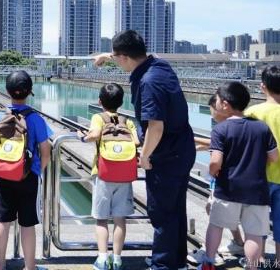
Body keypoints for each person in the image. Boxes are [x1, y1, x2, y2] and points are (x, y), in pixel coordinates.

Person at [94, 30, 196, 270]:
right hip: (183, 148)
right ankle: (176, 260)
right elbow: (132, 54)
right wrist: (108, 56)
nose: (117, 63)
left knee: (161, 211)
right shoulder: (160, 65)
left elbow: (156, 127)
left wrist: (145, 156)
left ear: (125, 57)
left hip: (166, 154)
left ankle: (163, 265)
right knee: (175, 209)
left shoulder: (148, 82)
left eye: (117, 58)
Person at [198, 82, 278, 270]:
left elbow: (215, 161)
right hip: (257, 190)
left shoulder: (221, 129)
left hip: (228, 188)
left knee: (216, 225)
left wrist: (212, 172)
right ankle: (252, 267)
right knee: (254, 234)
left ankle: (209, 262)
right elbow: (274, 157)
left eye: (217, 99)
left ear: (225, 104)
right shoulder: (262, 128)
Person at [0, 70, 52, 270]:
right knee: (27, 224)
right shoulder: (35, 118)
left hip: (4, 175)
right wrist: (36, 170)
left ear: (8, 91)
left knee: (3, 221)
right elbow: (46, 151)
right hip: (28, 176)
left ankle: (0, 265)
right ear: (29, 91)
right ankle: (30, 266)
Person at [78, 83, 139, 270]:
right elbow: (137, 141)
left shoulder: (98, 118)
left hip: (103, 174)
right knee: (120, 219)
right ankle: (117, 259)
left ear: (99, 101)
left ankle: (103, 259)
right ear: (121, 102)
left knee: (101, 219)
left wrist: (82, 137)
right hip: (124, 175)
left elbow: (95, 135)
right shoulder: (127, 121)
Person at [187, 95, 244, 267]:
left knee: (214, 211)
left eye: (212, 108)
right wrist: (198, 147)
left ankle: (211, 254)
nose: (211, 113)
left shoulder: (224, 127)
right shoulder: (238, 125)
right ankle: (238, 243)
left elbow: (215, 143)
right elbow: (216, 144)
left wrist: (193, 138)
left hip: (222, 178)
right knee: (223, 212)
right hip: (233, 178)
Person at [245, 65, 280, 265]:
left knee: (256, 225)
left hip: (258, 178)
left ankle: (258, 261)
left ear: (262, 86)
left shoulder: (252, 112)